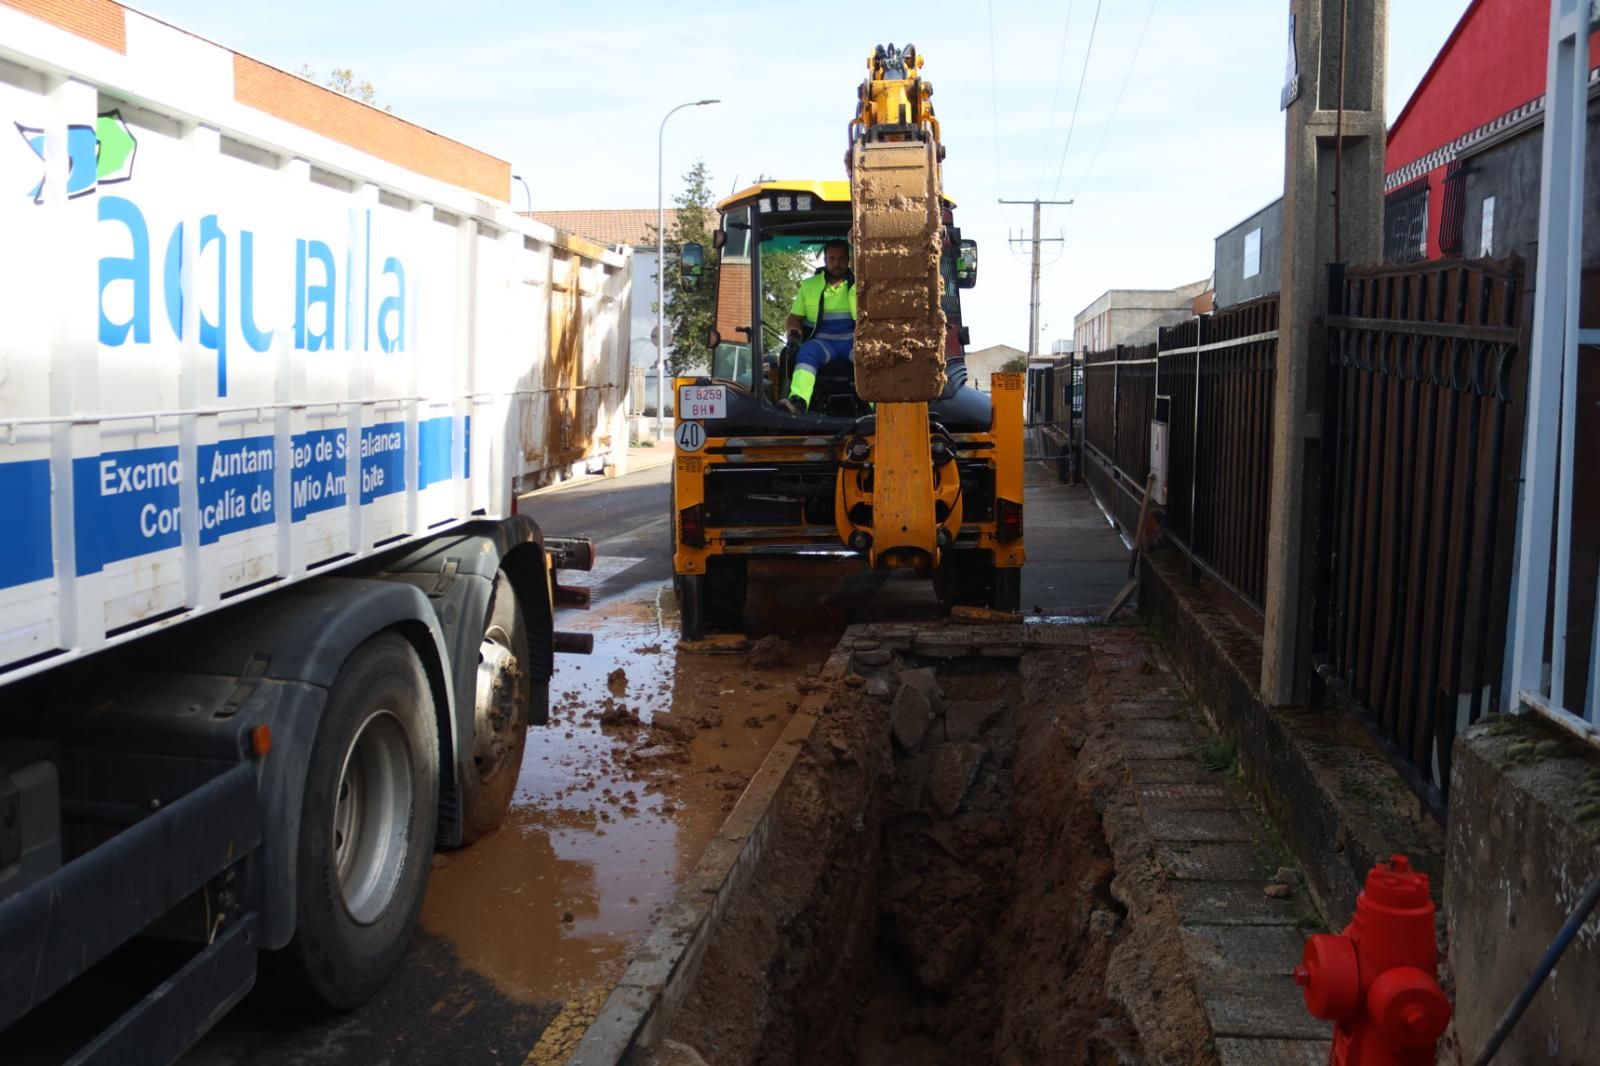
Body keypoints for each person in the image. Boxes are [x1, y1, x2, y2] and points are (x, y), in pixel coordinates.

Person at [777, 239, 856, 414]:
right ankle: (798, 402)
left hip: (853, 342)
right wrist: (793, 331)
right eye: (832, 259)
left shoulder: (862, 285)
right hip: (822, 343)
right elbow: (794, 317)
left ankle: (879, 405)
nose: (837, 264)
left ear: (848, 260)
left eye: (841, 259)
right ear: (825, 260)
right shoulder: (809, 286)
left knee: (870, 355)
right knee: (807, 352)